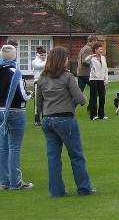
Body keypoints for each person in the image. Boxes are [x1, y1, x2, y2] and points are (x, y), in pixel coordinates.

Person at [35, 46, 95, 197]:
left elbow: (38, 103)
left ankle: (56, 190)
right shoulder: (67, 77)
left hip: (47, 119)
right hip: (65, 118)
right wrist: (78, 100)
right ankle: (84, 188)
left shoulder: (42, 78)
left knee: (53, 157)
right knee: (76, 155)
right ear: (62, 60)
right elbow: (80, 99)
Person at [0, 44, 33, 190]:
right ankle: (16, 181)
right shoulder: (15, 72)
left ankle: (4, 181)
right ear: (14, 56)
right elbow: (22, 94)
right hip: (14, 110)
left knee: (3, 147)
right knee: (14, 147)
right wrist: (30, 95)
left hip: (0, 110)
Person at [85, 42, 108, 121]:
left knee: (102, 98)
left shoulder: (103, 58)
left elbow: (105, 69)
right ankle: (93, 115)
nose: (101, 50)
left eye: (102, 49)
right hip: (93, 80)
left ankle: (101, 115)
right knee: (93, 98)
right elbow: (85, 61)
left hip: (101, 80)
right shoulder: (92, 58)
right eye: (99, 49)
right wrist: (91, 56)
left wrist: (106, 79)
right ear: (95, 50)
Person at [31, 46, 46, 126]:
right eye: (42, 55)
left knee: (46, 101)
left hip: (46, 82)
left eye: (45, 55)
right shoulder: (35, 61)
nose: (44, 56)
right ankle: (37, 120)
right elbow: (39, 66)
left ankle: (44, 119)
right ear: (38, 54)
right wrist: (48, 62)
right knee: (38, 102)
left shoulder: (46, 61)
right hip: (37, 82)